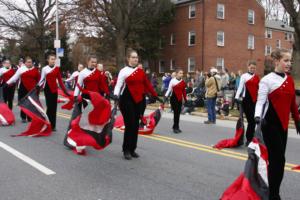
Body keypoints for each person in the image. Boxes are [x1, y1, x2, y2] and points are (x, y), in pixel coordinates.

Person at [255, 49, 300, 200]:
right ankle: (274, 194)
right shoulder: (267, 80)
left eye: (290, 61)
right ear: (277, 62)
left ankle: (272, 189)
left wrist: (298, 121)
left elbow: (293, 104)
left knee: (278, 160)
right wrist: (257, 117)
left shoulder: (290, 80)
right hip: (270, 125)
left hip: (284, 126)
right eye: (286, 60)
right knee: (278, 160)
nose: (289, 64)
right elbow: (260, 101)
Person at [113, 50, 159, 160]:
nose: (135, 59)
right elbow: (118, 85)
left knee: (135, 126)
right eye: (133, 57)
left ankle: (133, 149)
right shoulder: (123, 71)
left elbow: (147, 85)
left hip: (139, 101)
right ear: (128, 59)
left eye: (136, 57)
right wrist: (115, 95)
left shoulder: (140, 71)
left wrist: (155, 95)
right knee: (130, 125)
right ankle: (126, 150)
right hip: (127, 100)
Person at [37, 53, 69, 131]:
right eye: (51, 59)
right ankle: (48, 124)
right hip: (47, 89)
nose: (53, 61)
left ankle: (53, 126)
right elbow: (41, 80)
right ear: (48, 60)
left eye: (54, 59)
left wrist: (66, 92)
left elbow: (60, 81)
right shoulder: (45, 69)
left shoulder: (57, 68)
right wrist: (37, 87)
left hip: (54, 90)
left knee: (54, 108)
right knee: (49, 107)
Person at [6, 57, 40, 122]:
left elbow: (39, 79)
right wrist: (7, 83)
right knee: (23, 103)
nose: (29, 63)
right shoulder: (21, 69)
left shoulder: (35, 70)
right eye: (28, 62)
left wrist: (38, 87)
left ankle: (30, 117)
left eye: (30, 62)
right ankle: (23, 117)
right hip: (22, 88)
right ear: (25, 63)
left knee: (31, 104)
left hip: (32, 89)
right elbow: (15, 77)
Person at [235, 61, 259, 145]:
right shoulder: (244, 76)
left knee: (254, 121)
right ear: (248, 67)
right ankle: (249, 139)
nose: (252, 69)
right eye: (251, 67)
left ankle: (251, 137)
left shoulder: (257, 77)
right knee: (251, 121)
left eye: (254, 68)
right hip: (246, 101)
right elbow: (240, 87)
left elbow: (258, 89)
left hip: (255, 101)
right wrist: (236, 97)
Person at [165, 69, 187, 133]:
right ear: (177, 73)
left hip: (179, 99)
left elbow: (183, 91)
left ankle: (176, 126)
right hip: (173, 98)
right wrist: (166, 97)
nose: (181, 74)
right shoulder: (172, 81)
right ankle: (175, 127)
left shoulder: (182, 81)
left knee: (178, 113)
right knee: (176, 113)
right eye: (180, 73)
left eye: (182, 73)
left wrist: (185, 99)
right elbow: (169, 90)